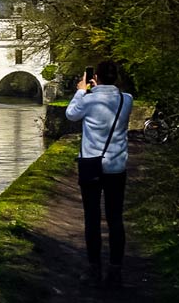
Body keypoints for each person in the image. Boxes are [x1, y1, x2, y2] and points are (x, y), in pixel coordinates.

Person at [66, 60, 133, 287]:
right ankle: (116, 270)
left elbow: (71, 114)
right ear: (116, 77)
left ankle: (94, 268)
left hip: (91, 165)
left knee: (92, 219)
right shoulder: (127, 100)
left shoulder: (88, 99)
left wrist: (81, 91)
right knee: (115, 219)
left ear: (96, 77)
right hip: (116, 166)